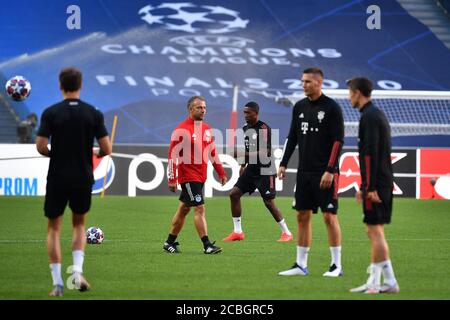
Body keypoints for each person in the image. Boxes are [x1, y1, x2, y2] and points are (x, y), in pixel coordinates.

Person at [36, 67, 112, 297]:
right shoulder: (93, 113)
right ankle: (77, 273)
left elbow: (40, 146)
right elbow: (107, 148)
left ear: (61, 85)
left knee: (54, 228)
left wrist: (55, 153)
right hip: (82, 176)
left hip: (58, 176)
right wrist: (96, 155)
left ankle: (58, 283)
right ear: (80, 86)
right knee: (79, 225)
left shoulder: (51, 112)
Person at [278, 67, 344, 277]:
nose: (303, 85)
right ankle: (300, 265)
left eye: (307, 81)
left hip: (325, 173)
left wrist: (330, 170)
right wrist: (283, 163)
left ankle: (336, 265)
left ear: (319, 83)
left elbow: (338, 141)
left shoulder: (332, 108)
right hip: (304, 173)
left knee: (329, 217)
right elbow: (293, 137)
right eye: (302, 81)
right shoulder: (299, 107)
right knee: (302, 216)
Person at [347, 77, 399, 293]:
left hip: (377, 185)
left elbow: (369, 155)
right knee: (374, 231)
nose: (349, 96)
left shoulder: (369, 117)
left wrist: (368, 187)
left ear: (358, 93)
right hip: (381, 182)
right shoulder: (375, 114)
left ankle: (381, 283)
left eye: (350, 92)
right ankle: (382, 282)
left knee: (375, 231)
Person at [164, 96, 227, 254]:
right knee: (199, 208)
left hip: (201, 176)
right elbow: (173, 155)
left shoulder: (206, 128)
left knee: (184, 209)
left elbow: (212, 151)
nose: (203, 110)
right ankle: (207, 245)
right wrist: (172, 178)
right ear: (190, 109)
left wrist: (221, 172)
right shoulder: (181, 130)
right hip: (188, 176)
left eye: (205, 107)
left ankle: (169, 242)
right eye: (199, 107)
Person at [223, 101, 293, 242]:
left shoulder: (264, 128)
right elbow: (249, 148)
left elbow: (265, 152)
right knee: (234, 194)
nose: (245, 115)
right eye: (244, 112)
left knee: (268, 202)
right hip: (251, 169)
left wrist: (242, 154)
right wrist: (243, 165)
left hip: (265, 170)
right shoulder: (245, 128)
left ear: (256, 113)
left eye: (248, 112)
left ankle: (287, 233)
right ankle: (238, 232)